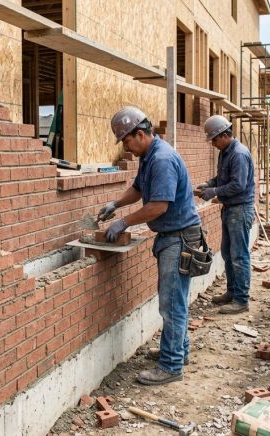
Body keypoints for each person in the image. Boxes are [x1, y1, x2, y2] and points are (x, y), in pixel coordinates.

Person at [99, 106, 201, 385]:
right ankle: (178, 352)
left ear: (140, 134)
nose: (127, 148)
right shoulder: (149, 155)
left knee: (171, 304)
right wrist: (115, 204)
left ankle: (170, 366)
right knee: (176, 300)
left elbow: (158, 205)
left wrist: (124, 222)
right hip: (174, 236)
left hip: (179, 238)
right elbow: (139, 188)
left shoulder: (162, 159)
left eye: (127, 142)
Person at [196, 115, 255, 315]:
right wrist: (210, 184)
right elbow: (223, 177)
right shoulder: (226, 152)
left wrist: (214, 192)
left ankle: (241, 299)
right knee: (228, 253)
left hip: (240, 209)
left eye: (214, 139)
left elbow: (238, 185)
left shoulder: (238, 154)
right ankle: (232, 292)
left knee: (239, 255)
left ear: (224, 135)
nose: (212, 143)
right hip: (230, 209)